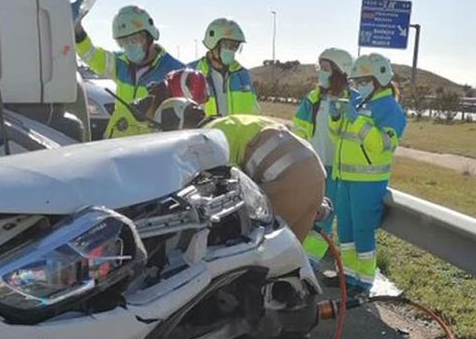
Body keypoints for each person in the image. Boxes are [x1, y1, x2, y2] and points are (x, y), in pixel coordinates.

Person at [152, 99, 326, 245]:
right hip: (316, 176)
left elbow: (221, 190)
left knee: (259, 252)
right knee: (291, 256)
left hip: (288, 181)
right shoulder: (231, 123)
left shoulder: (208, 139)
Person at [330, 52, 406, 295]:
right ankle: (349, 276)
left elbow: (384, 144)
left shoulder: (390, 108)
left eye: (363, 81)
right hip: (346, 179)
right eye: (356, 81)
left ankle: (364, 281)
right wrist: (334, 118)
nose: (358, 85)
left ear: (378, 80)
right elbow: (339, 137)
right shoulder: (362, 104)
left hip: (369, 181)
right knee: (346, 231)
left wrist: (358, 122)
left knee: (362, 231)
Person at [73, 4, 185, 139]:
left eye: (133, 39)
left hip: (150, 150)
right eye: (122, 42)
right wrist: (77, 29)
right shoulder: (120, 63)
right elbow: (91, 55)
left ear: (149, 36)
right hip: (116, 144)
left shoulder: (175, 71)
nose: (128, 46)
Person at [293, 48, 360, 263]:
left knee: (325, 218)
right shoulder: (313, 99)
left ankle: (310, 262)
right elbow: (299, 131)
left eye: (325, 68)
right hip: (313, 166)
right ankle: (301, 258)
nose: (320, 73)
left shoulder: (355, 101)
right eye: (319, 67)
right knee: (308, 214)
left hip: (339, 170)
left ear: (340, 72)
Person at [190, 18, 261, 117]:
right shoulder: (192, 73)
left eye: (236, 46)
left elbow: (254, 112)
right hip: (206, 132)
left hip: (235, 132)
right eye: (228, 45)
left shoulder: (242, 74)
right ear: (213, 43)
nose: (232, 50)